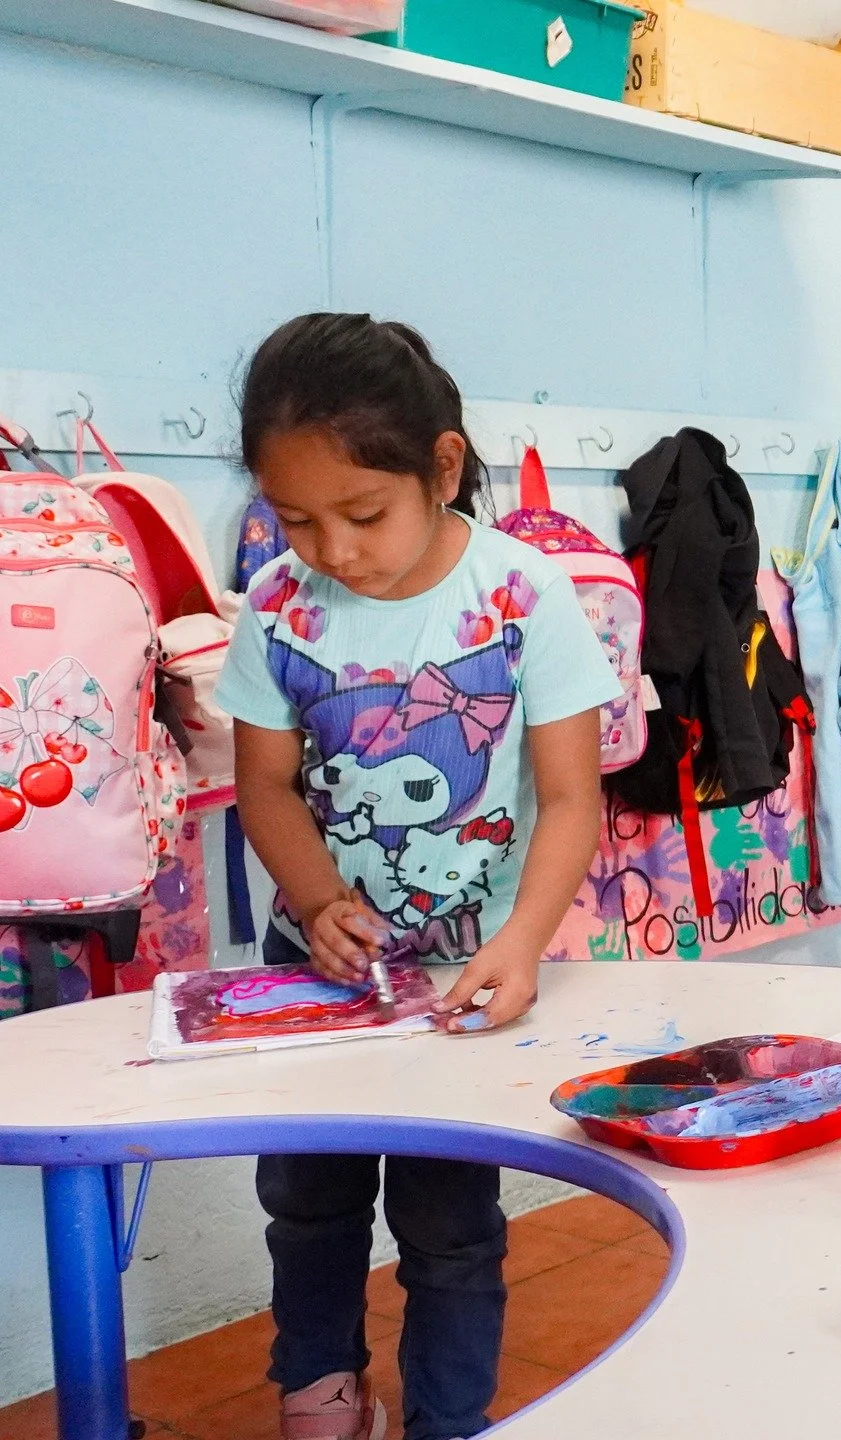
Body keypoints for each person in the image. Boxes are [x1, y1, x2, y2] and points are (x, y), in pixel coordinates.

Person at [215, 314, 619, 1440]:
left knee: (450, 1224)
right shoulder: (277, 605)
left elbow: (573, 798)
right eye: (295, 519)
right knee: (306, 1201)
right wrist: (315, 901)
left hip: (469, 975)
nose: (333, 551)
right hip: (320, 974)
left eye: (362, 514)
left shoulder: (524, 594)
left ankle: (450, 1420)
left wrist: (521, 944)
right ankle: (323, 1392)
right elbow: (268, 788)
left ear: (441, 467)